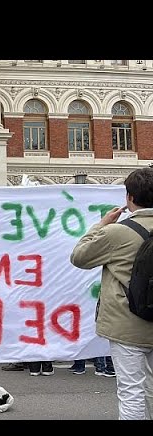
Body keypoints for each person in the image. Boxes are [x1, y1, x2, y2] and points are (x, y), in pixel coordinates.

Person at [71, 167, 153, 420]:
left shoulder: (118, 232)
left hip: (128, 323)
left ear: (129, 197)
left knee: (131, 393)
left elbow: (80, 257)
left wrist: (102, 224)